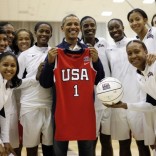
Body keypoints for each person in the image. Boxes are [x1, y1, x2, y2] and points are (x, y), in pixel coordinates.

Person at [39, 14, 104, 156]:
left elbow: (99, 80)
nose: (73, 27)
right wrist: (49, 63)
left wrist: (97, 61)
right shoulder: (55, 52)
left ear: (79, 29)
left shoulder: (89, 50)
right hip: (62, 112)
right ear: (62, 28)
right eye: (69, 24)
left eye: (76, 24)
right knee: (59, 152)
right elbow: (45, 83)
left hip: (85, 112)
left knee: (87, 152)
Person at [105, 18, 150, 156]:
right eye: (111, 29)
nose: (114, 30)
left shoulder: (134, 44)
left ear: (122, 27)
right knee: (123, 145)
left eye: (117, 27)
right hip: (118, 103)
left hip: (136, 101)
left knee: (142, 144)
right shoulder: (109, 50)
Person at [17, 22, 53, 156]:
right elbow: (15, 83)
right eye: (41, 31)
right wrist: (35, 77)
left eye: (47, 31)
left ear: (51, 34)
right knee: (31, 148)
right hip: (30, 106)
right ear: (35, 33)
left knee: (49, 148)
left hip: (49, 105)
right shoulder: (25, 55)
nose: (44, 34)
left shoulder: (54, 52)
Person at [80, 16, 113, 156]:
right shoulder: (77, 46)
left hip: (107, 99)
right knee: (90, 142)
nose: (89, 28)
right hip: (88, 101)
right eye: (85, 26)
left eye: (92, 25)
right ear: (81, 28)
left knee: (107, 141)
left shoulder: (104, 43)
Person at [11, 28, 34, 156]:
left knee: (32, 145)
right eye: (20, 39)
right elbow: (13, 83)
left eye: (27, 39)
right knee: (16, 145)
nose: (24, 41)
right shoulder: (12, 59)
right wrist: (34, 80)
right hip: (16, 105)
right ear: (16, 41)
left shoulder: (36, 56)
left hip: (31, 105)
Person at [0, 52, 22, 156]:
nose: (9, 68)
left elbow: (4, 115)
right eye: (5, 65)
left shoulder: (8, 85)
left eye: (13, 66)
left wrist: (5, 141)